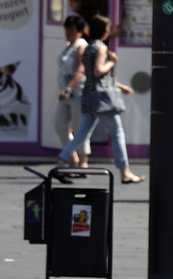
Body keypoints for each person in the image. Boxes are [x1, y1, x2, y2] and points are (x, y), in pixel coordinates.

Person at [58, 15, 144, 184]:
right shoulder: (101, 48)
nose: (108, 31)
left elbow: (94, 77)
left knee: (81, 134)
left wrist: (119, 86)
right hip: (101, 100)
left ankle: (61, 161)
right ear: (103, 31)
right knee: (117, 133)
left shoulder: (90, 47)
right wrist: (112, 62)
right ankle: (124, 171)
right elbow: (99, 72)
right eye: (107, 29)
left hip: (89, 96)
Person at [54, 14, 91, 168]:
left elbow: (80, 71)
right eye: (66, 29)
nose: (68, 32)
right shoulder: (69, 45)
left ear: (80, 31)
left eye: (71, 29)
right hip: (66, 95)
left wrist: (68, 88)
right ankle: (72, 156)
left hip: (78, 94)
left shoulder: (80, 47)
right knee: (60, 124)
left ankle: (83, 161)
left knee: (79, 128)